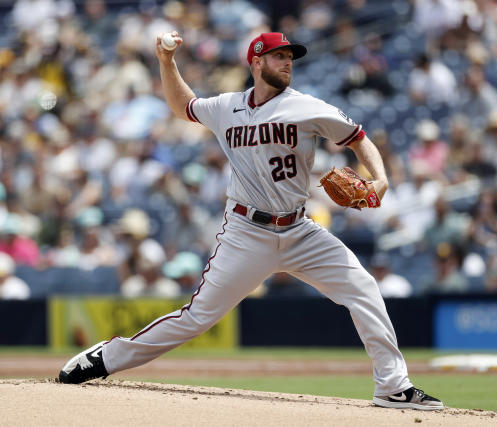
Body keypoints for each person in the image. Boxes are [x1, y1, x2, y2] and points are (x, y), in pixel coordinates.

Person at [58, 32, 444, 411]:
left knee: (362, 287)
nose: (288, 62)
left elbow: (358, 137)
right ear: (256, 62)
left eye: (291, 57)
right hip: (246, 232)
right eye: (279, 56)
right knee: (196, 318)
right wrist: (167, 62)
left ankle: (393, 386)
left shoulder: (307, 106)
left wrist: (381, 177)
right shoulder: (227, 106)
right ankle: (107, 357)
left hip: (298, 229)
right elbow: (184, 107)